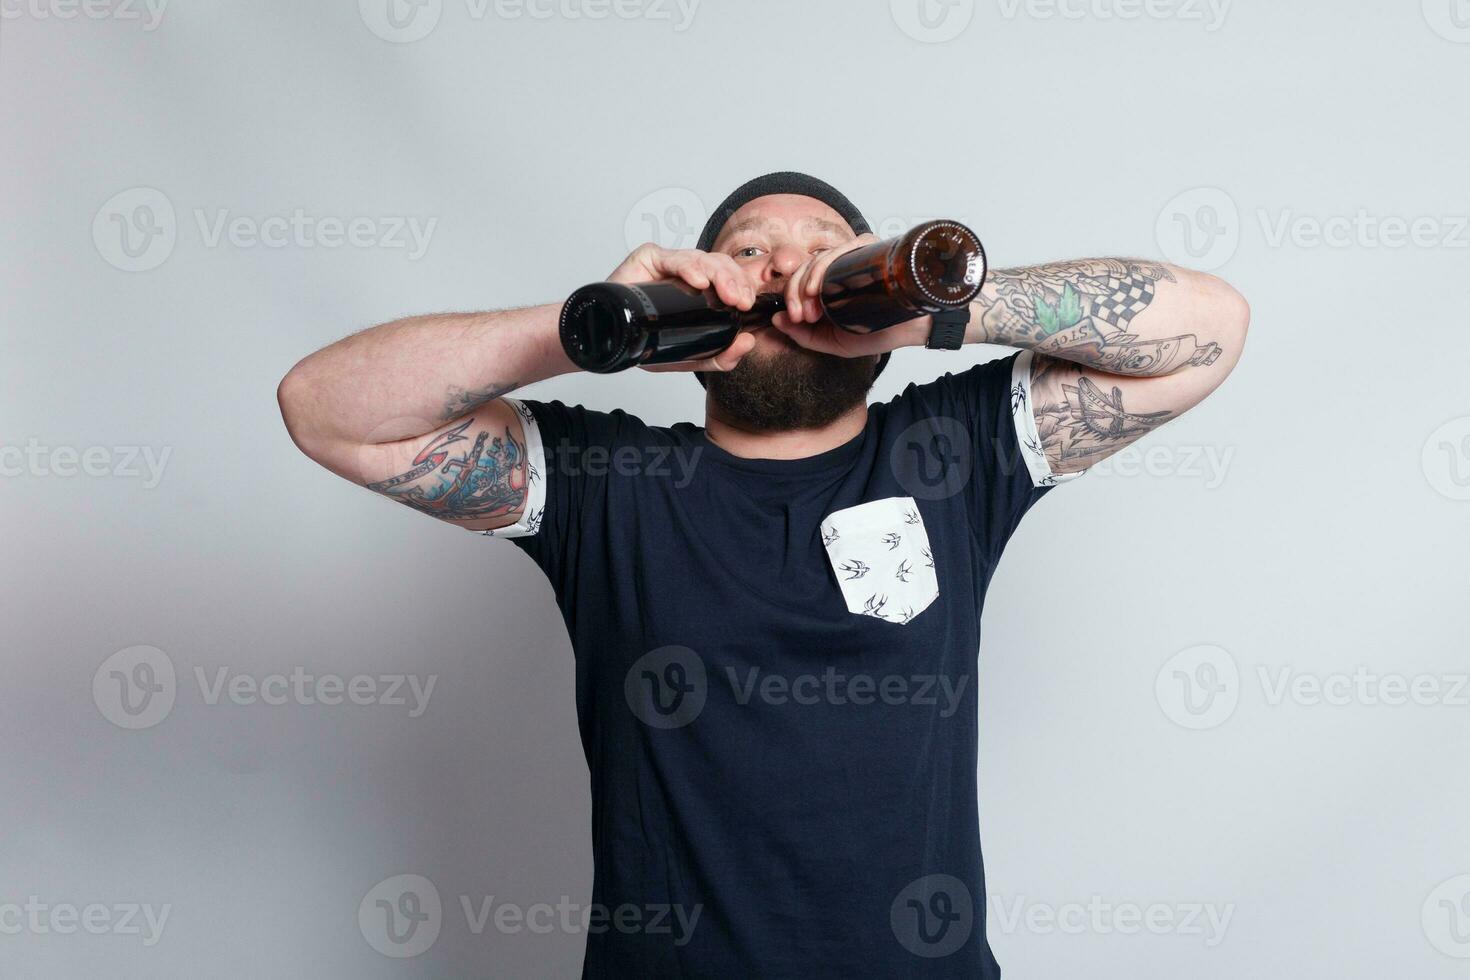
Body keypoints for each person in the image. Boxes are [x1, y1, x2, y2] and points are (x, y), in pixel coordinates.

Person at [277, 171, 1250, 977]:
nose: (785, 264)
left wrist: (936, 306)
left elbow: (1211, 329)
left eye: (823, 248)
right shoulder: (610, 483)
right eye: (748, 251)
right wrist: (588, 328)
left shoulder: (952, 453)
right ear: (699, 294)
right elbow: (325, 407)